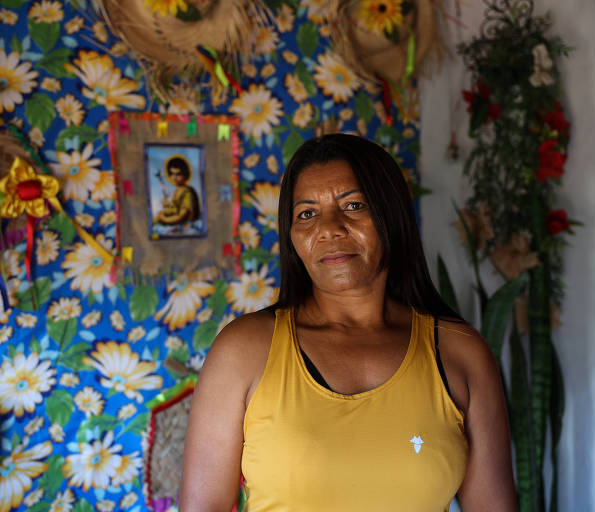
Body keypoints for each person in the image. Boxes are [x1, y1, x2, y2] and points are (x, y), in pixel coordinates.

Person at [180, 134, 516, 511]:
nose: (329, 228)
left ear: (391, 216)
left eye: (353, 205)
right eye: (307, 213)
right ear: (292, 237)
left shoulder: (459, 353)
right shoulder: (243, 351)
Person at [154, 155, 200, 226]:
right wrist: (167, 205)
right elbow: (175, 208)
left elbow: (181, 217)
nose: (174, 178)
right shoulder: (177, 191)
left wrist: (164, 219)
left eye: (178, 174)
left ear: (185, 175)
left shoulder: (187, 193)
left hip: (186, 225)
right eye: (172, 174)